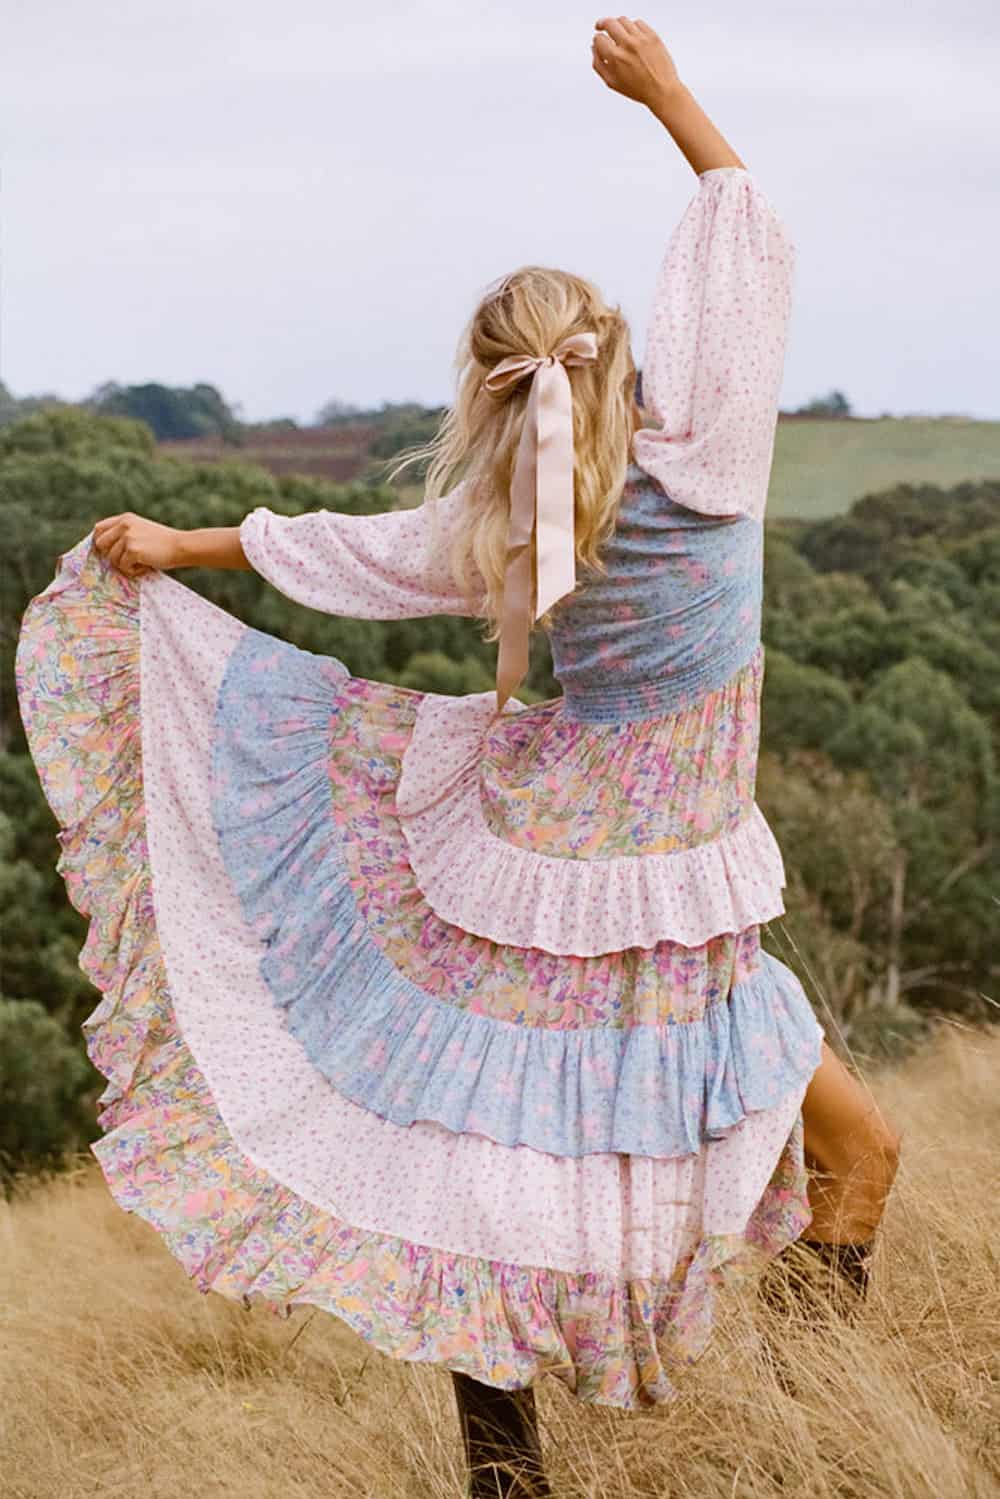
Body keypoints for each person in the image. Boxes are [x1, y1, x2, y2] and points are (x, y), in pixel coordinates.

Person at [15, 17, 901, 1498]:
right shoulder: (712, 457)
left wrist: (178, 543)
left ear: (491, 389)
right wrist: (668, 95)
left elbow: (335, 549)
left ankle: (784, 1447)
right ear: (614, 355)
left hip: (583, 876)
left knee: (495, 1193)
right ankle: (689, 1459)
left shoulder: (504, 518)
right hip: (634, 878)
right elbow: (748, 234)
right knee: (844, 1155)